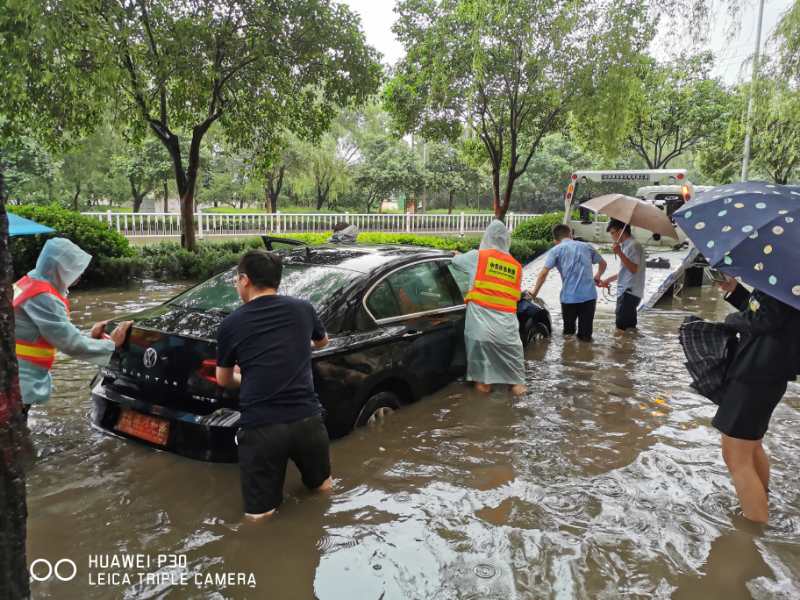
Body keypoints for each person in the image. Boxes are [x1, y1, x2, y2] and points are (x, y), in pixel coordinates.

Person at [215, 250, 332, 520]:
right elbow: (322, 342)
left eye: (236, 280)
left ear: (244, 280)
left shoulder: (231, 324)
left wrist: (249, 376)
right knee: (323, 489)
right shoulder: (303, 308)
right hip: (308, 421)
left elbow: (223, 380)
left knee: (260, 516)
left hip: (262, 428)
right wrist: (296, 349)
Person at [712, 276, 800, 523]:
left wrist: (730, 320)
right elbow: (767, 312)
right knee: (751, 447)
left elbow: (766, 319)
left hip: (756, 372)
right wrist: (737, 292)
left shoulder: (788, 271)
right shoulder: (786, 273)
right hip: (768, 372)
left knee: (735, 454)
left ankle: (753, 529)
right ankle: (761, 502)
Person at [13, 238, 131, 413]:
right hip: (17, 378)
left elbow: (56, 332)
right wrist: (110, 345)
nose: (80, 274)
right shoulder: (43, 296)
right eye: (75, 268)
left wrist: (91, 336)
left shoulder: (30, 281)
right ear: (60, 269)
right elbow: (69, 343)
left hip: (16, 373)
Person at [451, 220, 526, 396]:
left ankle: (483, 420)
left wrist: (457, 254)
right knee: (517, 384)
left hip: (481, 332)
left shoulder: (477, 257)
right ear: (506, 240)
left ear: (487, 237)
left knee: (483, 384)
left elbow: (456, 262)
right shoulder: (516, 266)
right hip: (508, 334)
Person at [528, 224, 607, 342]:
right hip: (589, 297)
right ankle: (584, 355)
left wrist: (534, 292)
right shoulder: (587, 246)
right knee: (586, 336)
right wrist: (597, 276)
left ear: (555, 240)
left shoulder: (556, 250)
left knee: (568, 335)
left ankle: (568, 357)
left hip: (569, 298)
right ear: (570, 234)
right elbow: (603, 263)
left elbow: (544, 273)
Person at [600, 219, 646, 332]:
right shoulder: (626, 245)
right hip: (627, 292)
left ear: (621, 231)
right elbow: (626, 270)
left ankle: (624, 349)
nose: (612, 236)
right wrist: (608, 280)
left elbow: (634, 269)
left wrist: (619, 253)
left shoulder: (633, 245)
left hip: (629, 292)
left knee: (623, 329)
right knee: (626, 328)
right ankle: (628, 348)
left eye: (612, 233)